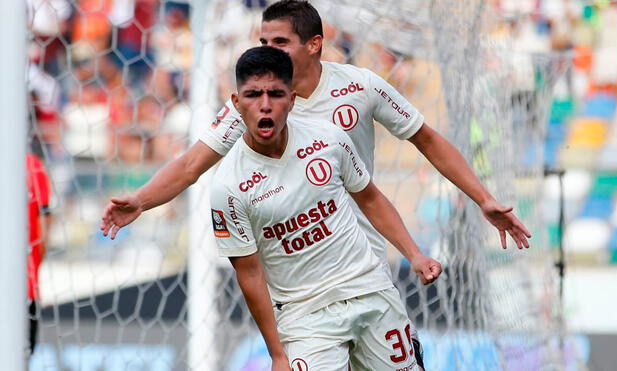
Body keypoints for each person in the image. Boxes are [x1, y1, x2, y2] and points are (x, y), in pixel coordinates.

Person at [100, 0, 531, 368]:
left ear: (313, 44)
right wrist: (141, 199)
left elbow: (427, 139)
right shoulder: (254, 105)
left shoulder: (359, 87)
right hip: (302, 292)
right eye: (263, 42)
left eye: (278, 43)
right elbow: (190, 164)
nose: (267, 50)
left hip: (365, 267)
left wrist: (483, 199)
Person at [211, 45, 441, 370]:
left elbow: (371, 198)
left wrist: (414, 254)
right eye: (252, 95)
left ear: (291, 99)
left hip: (369, 289)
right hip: (305, 317)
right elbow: (249, 273)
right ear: (236, 103)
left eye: (275, 94)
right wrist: (278, 354)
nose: (264, 106)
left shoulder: (329, 138)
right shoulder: (228, 187)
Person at [26, 152, 52, 355]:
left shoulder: (31, 164)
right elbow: (45, 222)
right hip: (26, 288)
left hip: (26, 289)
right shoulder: (31, 164)